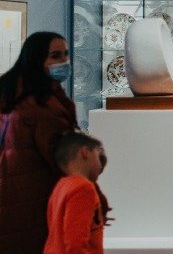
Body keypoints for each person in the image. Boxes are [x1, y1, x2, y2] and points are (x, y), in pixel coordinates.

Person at [0, 32, 79, 252]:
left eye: (65, 54)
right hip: (35, 201)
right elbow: (64, 161)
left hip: (11, 199)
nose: (64, 62)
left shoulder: (11, 96)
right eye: (55, 56)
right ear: (37, 60)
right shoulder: (42, 107)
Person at [44, 132, 109, 254]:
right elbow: (75, 243)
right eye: (97, 154)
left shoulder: (61, 186)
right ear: (85, 152)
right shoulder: (83, 188)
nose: (100, 163)